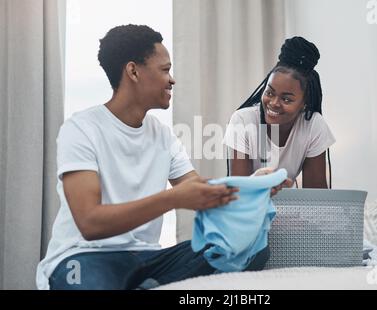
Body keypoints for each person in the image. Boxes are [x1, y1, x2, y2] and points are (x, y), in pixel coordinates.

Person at [36, 24, 270, 290]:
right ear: (133, 71)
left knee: (248, 250)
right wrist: (172, 199)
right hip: (84, 255)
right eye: (165, 70)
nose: (172, 79)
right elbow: (90, 223)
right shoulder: (81, 129)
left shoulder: (163, 136)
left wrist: (255, 186)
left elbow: (202, 193)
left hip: (147, 257)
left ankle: (149, 284)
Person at [224, 36, 335, 191]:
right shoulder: (242, 120)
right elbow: (239, 193)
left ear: (305, 104)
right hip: (250, 211)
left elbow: (315, 199)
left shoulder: (313, 125)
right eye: (270, 93)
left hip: (290, 213)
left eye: (286, 99)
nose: (274, 103)